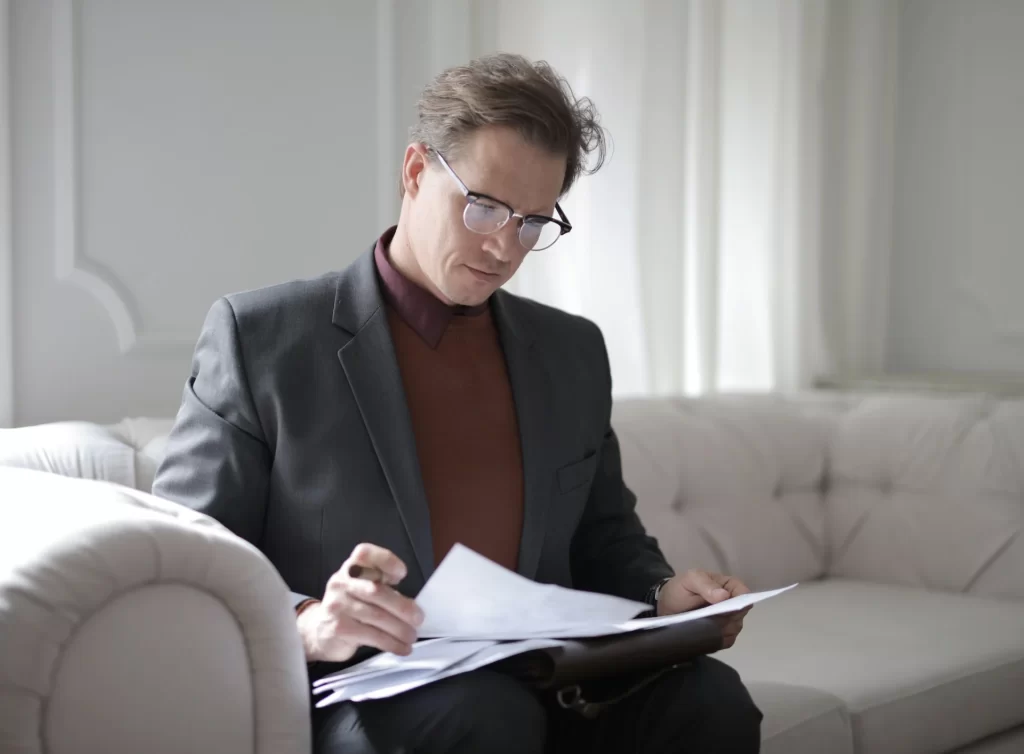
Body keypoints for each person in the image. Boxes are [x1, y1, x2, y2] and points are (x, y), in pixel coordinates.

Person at [153, 52, 762, 753]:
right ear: (416, 172)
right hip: (369, 690)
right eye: (484, 207)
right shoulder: (262, 339)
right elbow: (189, 565)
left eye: (534, 223)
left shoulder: (571, 352)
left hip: (547, 677)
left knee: (710, 700)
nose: (505, 246)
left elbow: (603, 536)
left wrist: (663, 600)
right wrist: (311, 622)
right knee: (482, 717)